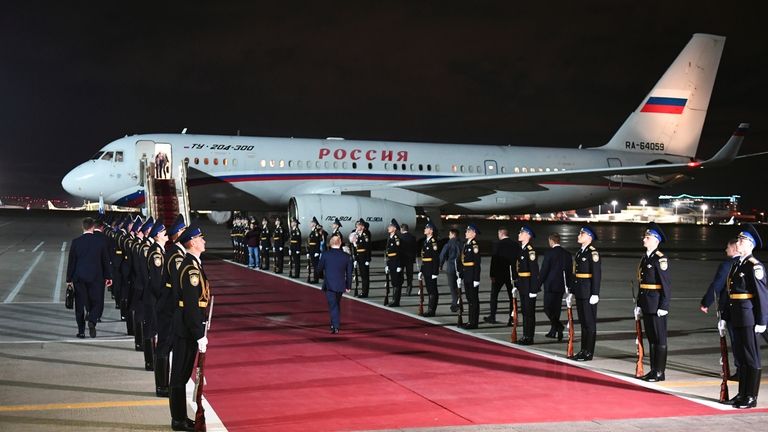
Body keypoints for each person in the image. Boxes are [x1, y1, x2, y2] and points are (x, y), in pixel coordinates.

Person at [169, 226, 210, 431]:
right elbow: (192, 305)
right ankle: (178, 420)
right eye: (200, 238)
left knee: (182, 375)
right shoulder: (191, 268)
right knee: (179, 375)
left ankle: (180, 417)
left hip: (188, 326)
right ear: (192, 243)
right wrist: (198, 334)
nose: (203, 241)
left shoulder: (192, 264)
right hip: (187, 328)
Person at [722, 224, 767, 408]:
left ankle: (751, 397)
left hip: (748, 317)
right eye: (739, 239)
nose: (738, 242)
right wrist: (725, 316)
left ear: (749, 244)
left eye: (741, 240)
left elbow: (762, 295)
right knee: (741, 357)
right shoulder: (737, 264)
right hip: (737, 316)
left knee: (751, 357)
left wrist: (762, 321)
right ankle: (741, 394)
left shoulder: (754, 266)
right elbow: (731, 294)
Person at [700, 238, 741, 379]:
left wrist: (706, 302)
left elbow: (716, 286)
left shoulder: (727, 265)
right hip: (749, 310)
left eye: (728, 247)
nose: (726, 250)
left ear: (735, 248)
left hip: (731, 310)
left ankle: (741, 370)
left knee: (737, 341)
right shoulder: (749, 264)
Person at [155, 214, 186, 398]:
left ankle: (163, 384)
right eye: (183, 230)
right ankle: (162, 385)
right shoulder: (175, 255)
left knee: (167, 346)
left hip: (169, 306)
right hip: (169, 308)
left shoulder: (177, 253)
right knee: (165, 346)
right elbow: (177, 285)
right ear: (177, 234)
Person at [635, 222, 671, 382]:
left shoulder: (660, 259)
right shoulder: (645, 258)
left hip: (656, 304)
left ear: (655, 240)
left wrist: (664, 306)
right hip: (647, 303)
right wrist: (638, 303)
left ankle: (659, 372)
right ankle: (653, 370)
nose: (644, 239)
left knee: (659, 338)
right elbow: (641, 283)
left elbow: (666, 285)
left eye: (647, 237)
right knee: (651, 338)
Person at [66, 217, 112, 338]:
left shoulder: (76, 242)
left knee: (80, 305)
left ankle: (81, 331)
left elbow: (72, 262)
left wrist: (69, 279)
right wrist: (108, 276)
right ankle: (92, 320)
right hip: (96, 277)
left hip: (79, 277)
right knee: (97, 302)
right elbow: (105, 261)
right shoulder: (100, 242)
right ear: (93, 227)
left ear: (83, 227)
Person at [569, 226, 601, 360]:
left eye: (581, 234)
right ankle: (583, 350)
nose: (578, 236)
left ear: (589, 237)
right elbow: (575, 274)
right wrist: (572, 291)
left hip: (588, 293)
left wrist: (595, 293)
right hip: (580, 292)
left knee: (589, 323)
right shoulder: (580, 252)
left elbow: (597, 274)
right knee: (583, 323)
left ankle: (589, 352)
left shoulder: (592, 253)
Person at [539, 232, 572, 341]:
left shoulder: (549, 253)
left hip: (550, 284)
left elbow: (544, 270)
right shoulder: (567, 254)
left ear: (551, 241)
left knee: (547, 308)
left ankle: (558, 327)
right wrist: (569, 286)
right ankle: (554, 331)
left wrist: (538, 283)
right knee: (556, 309)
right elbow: (569, 272)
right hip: (561, 285)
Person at [318, 235, 353, 333]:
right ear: (340, 243)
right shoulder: (346, 256)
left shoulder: (326, 254)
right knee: (336, 304)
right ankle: (334, 324)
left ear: (331, 243)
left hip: (329, 284)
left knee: (333, 305)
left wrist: (321, 276)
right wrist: (348, 286)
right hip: (340, 284)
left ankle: (335, 326)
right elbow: (349, 273)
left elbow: (319, 268)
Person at [485, 228, 519, 325]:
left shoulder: (497, 244)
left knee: (494, 295)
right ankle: (511, 318)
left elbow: (494, 260)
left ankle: (492, 316)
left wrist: (492, 274)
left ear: (501, 233)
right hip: (511, 274)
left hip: (499, 274)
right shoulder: (515, 245)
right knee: (512, 297)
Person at [514, 225, 540, 345]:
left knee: (529, 313)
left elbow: (534, 271)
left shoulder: (530, 251)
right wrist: (517, 283)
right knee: (525, 311)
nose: (519, 234)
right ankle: (525, 335)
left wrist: (534, 289)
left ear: (527, 235)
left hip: (529, 285)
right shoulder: (522, 249)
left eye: (521, 232)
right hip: (523, 285)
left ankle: (529, 336)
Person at [458, 224, 481, 329]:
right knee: (469, 299)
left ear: (474, 233)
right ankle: (470, 321)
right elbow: (462, 261)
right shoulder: (466, 244)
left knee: (473, 300)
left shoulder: (474, 245)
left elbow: (477, 263)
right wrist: (460, 275)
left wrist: (476, 278)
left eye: (468, 231)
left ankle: (473, 322)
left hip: (472, 275)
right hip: (466, 274)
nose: (466, 232)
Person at [419, 222, 440, 316]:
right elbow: (424, 258)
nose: (424, 229)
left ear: (431, 231)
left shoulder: (433, 242)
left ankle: (431, 310)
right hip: (426, 269)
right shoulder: (426, 241)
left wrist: (435, 272)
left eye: (426, 228)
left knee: (432, 291)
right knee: (429, 290)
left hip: (431, 270)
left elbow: (435, 258)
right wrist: (421, 270)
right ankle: (429, 309)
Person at [440, 229, 462, 313]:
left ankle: (455, 303)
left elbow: (442, 255)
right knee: (459, 286)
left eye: (449, 234)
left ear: (453, 234)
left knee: (452, 287)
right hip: (460, 268)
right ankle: (459, 300)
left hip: (451, 268)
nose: (448, 236)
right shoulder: (462, 243)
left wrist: (440, 265)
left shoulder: (449, 244)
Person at [385, 219, 403, 306]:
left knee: (396, 282)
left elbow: (399, 252)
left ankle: (396, 301)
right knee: (393, 282)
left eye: (390, 227)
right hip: (391, 262)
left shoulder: (396, 238)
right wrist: (387, 265)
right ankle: (393, 299)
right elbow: (388, 253)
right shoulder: (390, 238)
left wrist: (399, 265)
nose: (388, 228)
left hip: (396, 263)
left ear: (394, 228)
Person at [353, 218, 371, 297]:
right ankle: (363, 291)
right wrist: (356, 259)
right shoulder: (359, 235)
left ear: (363, 227)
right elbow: (357, 249)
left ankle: (365, 292)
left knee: (365, 276)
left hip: (364, 258)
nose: (357, 226)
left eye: (359, 225)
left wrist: (368, 259)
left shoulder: (365, 235)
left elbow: (368, 248)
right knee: (362, 275)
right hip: (360, 257)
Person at [400, 223, 417, 295]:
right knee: (409, 275)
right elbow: (415, 249)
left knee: (400, 274)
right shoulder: (413, 237)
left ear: (402, 229)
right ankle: (409, 290)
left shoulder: (400, 237)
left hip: (402, 258)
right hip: (410, 259)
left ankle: (399, 288)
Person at [307, 217, 323, 282]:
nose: (310, 224)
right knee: (314, 265)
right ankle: (315, 278)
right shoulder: (312, 231)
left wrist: (317, 251)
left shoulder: (316, 232)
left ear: (314, 224)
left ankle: (316, 279)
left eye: (311, 223)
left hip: (315, 250)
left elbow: (317, 242)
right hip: (312, 249)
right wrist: (308, 251)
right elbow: (310, 242)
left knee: (315, 265)